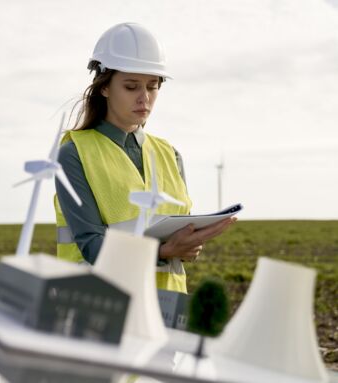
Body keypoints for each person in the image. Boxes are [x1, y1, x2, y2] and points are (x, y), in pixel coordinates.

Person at [54, 22, 236, 293]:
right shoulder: (73, 154)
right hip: (98, 304)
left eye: (153, 86)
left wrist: (189, 246)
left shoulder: (170, 154)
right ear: (104, 87)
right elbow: (92, 247)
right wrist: (163, 251)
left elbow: (181, 241)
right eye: (131, 86)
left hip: (167, 308)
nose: (145, 98)